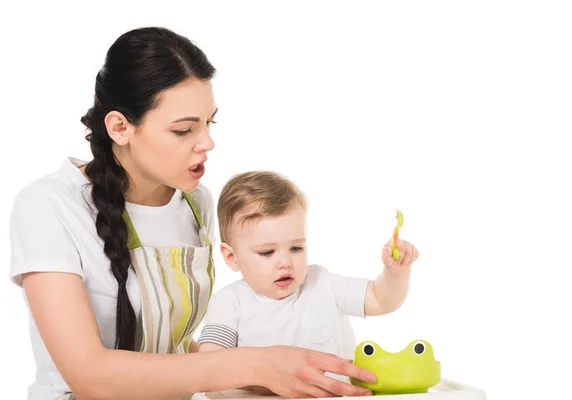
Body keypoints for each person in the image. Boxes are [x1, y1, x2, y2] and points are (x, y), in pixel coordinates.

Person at [7, 26, 377, 400]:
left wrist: (288, 375)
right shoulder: (47, 207)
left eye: (209, 122)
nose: (207, 142)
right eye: (184, 130)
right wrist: (257, 363)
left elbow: (176, 353)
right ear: (120, 127)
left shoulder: (196, 203)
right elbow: (90, 376)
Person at [196, 171, 418, 367]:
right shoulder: (228, 303)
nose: (285, 262)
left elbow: (381, 300)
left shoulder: (322, 283)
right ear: (232, 257)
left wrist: (395, 272)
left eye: (296, 248)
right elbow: (210, 363)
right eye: (267, 253)